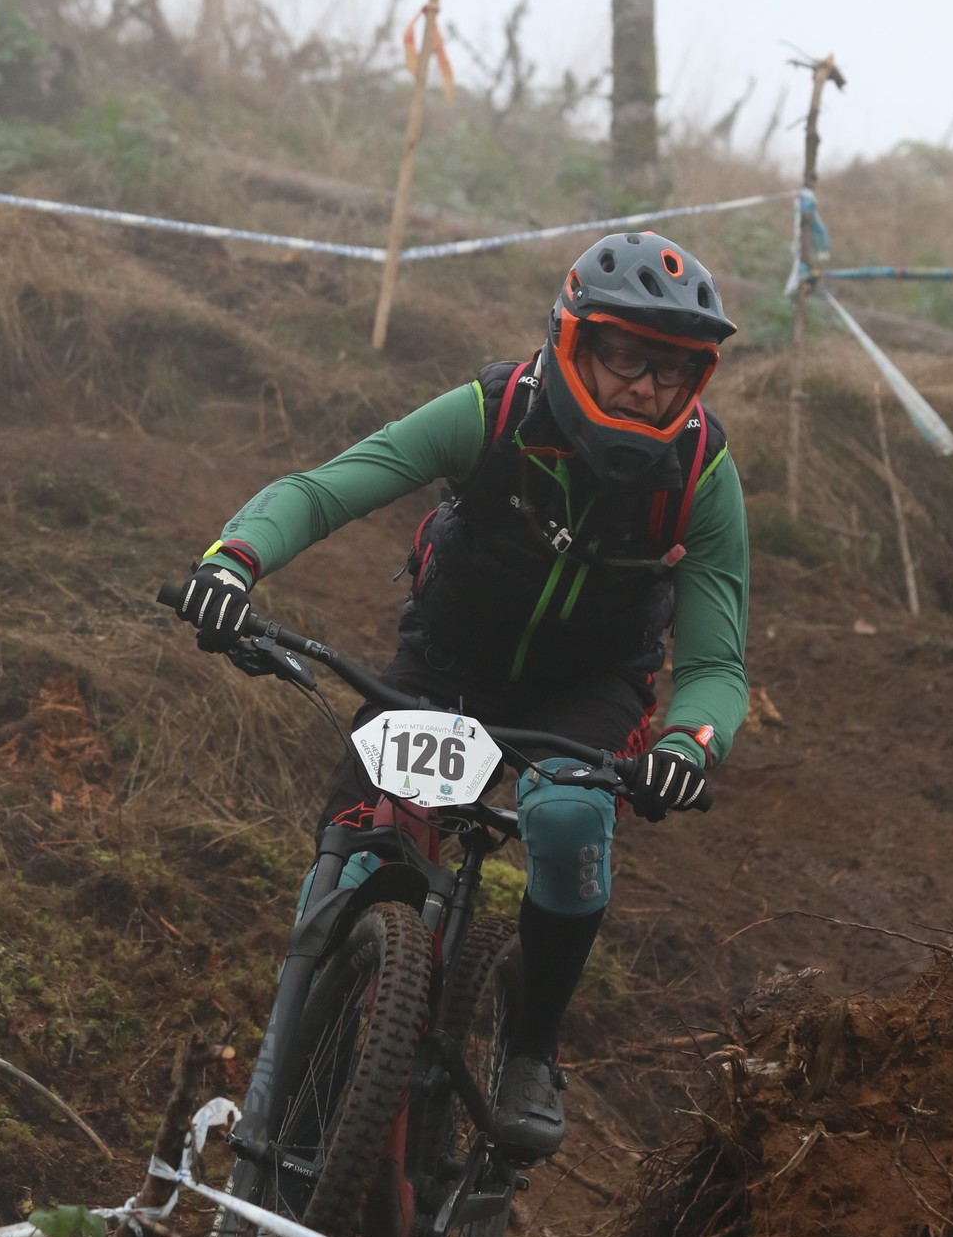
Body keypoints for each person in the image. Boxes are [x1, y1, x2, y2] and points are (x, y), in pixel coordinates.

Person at [176, 231, 749, 1161]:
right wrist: (231, 564)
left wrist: (686, 745)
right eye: (625, 357)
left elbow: (717, 664)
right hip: (447, 664)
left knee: (566, 818)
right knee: (356, 856)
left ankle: (529, 1055)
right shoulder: (495, 411)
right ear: (573, 342)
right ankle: (292, 1092)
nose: (648, 387)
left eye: (674, 368)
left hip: (588, 691)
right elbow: (325, 490)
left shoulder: (701, 476)